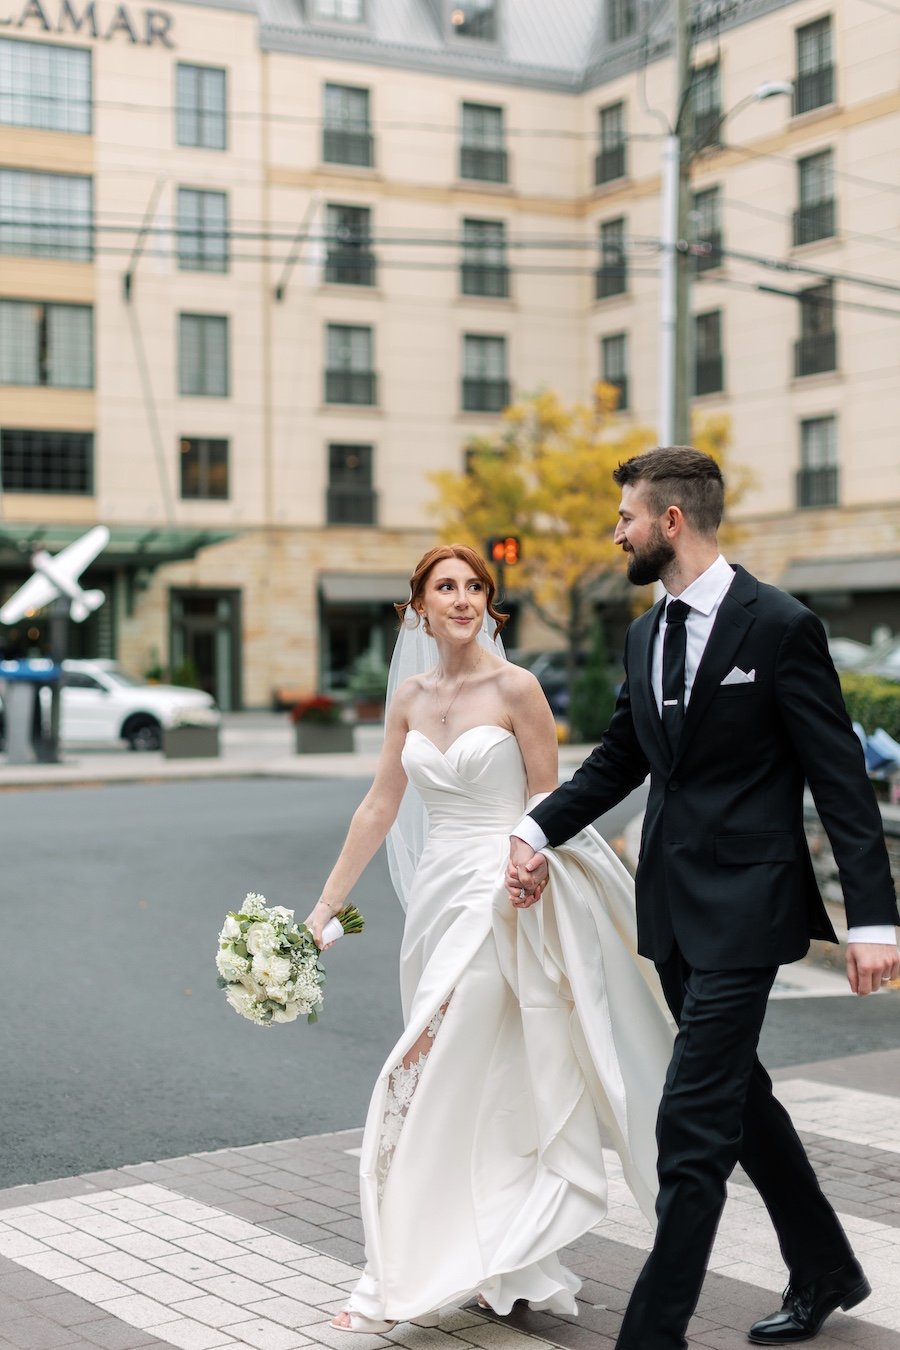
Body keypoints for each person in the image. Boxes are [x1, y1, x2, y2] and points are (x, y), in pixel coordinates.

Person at [507, 446, 900, 1350]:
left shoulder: (779, 625)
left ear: (671, 522)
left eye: (626, 520)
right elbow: (621, 758)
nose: (617, 535)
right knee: (737, 1101)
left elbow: (839, 779)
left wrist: (872, 920)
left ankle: (654, 1332)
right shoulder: (647, 634)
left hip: (751, 912)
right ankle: (827, 1268)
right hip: (674, 914)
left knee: (690, 1122)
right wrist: (534, 830)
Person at [304, 543, 675, 1334]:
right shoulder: (407, 696)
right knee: (483, 1084)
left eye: (476, 587)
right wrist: (324, 907)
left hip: (501, 894)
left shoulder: (518, 688)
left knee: (422, 1069)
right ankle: (502, 1258)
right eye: (447, 587)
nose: (464, 598)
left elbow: (550, 796)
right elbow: (379, 806)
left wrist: (531, 864)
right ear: (420, 607)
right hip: (436, 897)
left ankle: (391, 1277)